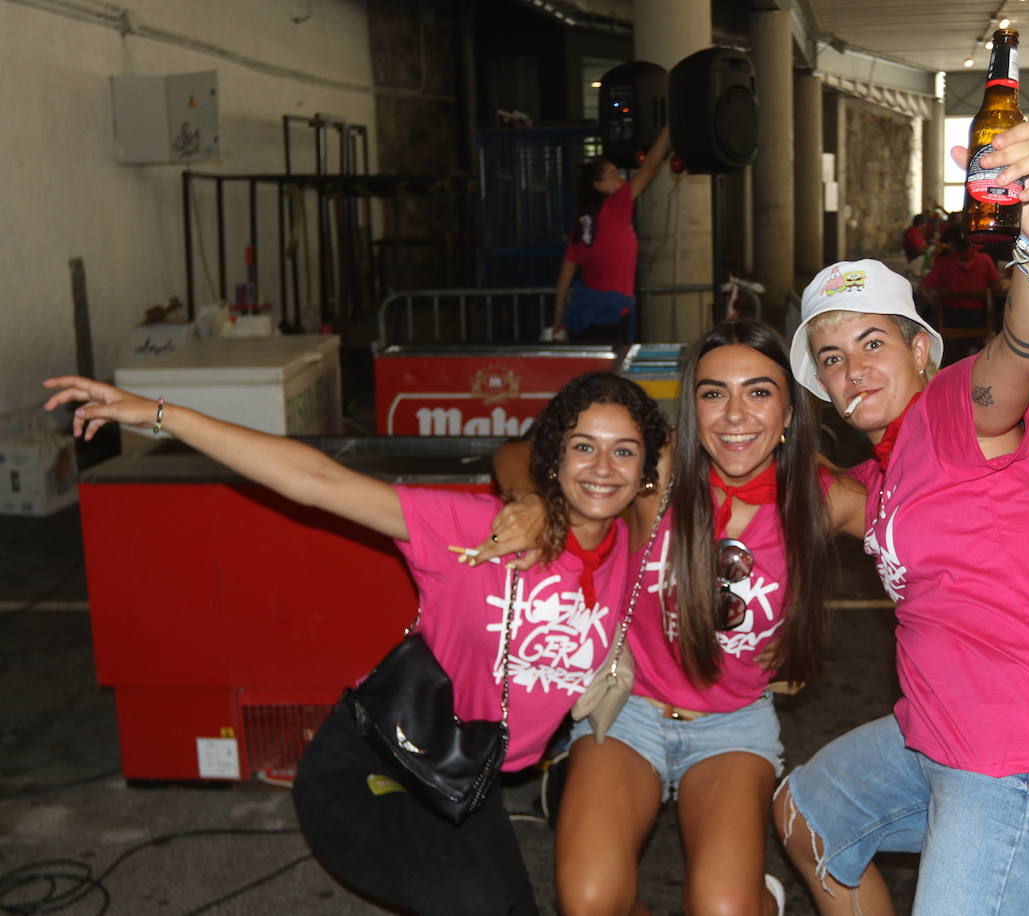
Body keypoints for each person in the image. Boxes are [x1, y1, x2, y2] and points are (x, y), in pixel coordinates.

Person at [42, 370, 669, 914]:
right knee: (470, 901)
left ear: (645, 470)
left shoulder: (631, 558)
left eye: (624, 452)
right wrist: (157, 413)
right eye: (584, 446)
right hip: (374, 763)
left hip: (463, 780)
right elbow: (315, 480)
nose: (602, 469)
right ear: (555, 454)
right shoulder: (479, 530)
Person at [776, 121, 1029, 915]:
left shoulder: (957, 412)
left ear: (923, 353)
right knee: (808, 811)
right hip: (933, 739)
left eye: (872, 342)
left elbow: (1026, 348)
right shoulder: (883, 474)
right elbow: (800, 496)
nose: (851, 368)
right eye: (830, 357)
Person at [481, 320, 867, 915]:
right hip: (629, 712)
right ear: (692, 407)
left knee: (724, 911)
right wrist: (532, 500)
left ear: (789, 412)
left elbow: (936, 543)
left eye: (759, 392)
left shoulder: (823, 499)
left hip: (732, 727)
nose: (735, 414)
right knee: (588, 905)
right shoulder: (655, 475)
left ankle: (760, 899)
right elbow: (514, 455)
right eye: (714, 393)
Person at [552, 127, 671, 344]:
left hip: (582, 315)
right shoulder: (615, 204)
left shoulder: (582, 224)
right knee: (612, 373)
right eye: (613, 175)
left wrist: (558, 321)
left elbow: (564, 278)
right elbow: (651, 165)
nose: (621, 179)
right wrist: (668, 130)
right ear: (598, 186)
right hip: (610, 314)